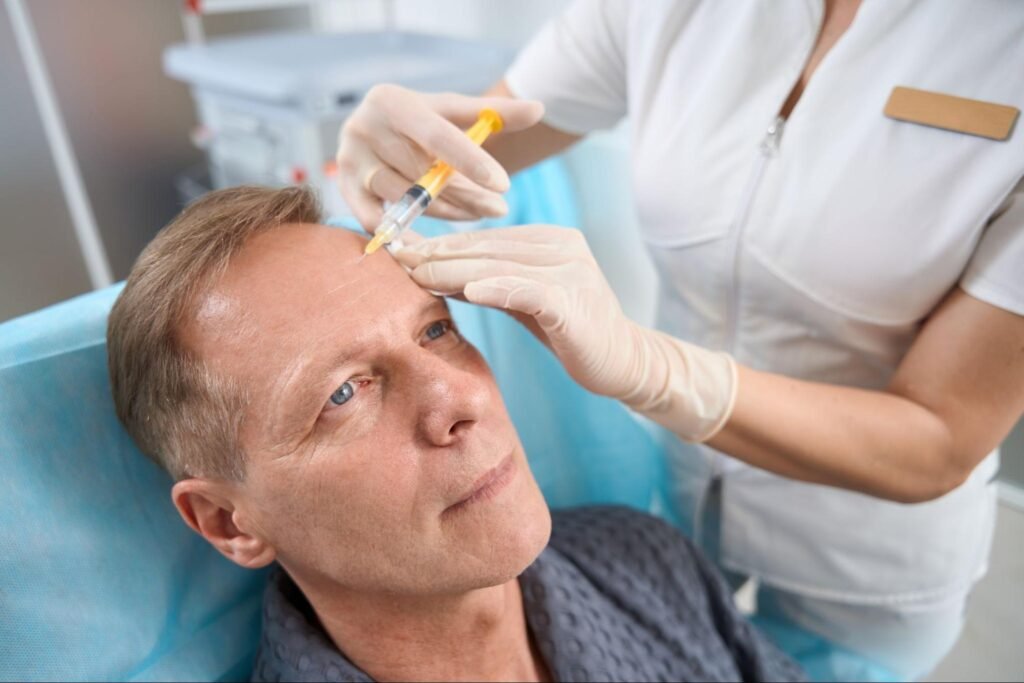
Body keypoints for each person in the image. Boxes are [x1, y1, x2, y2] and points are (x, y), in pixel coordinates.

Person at [334, 0, 1024, 678]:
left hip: (863, 558)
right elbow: (488, 141)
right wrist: (401, 154)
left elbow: (938, 433)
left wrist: (659, 371)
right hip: (679, 505)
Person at [105, 185, 804, 682]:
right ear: (230, 521)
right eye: (343, 393)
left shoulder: (643, 560)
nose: (459, 396)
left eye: (436, 330)